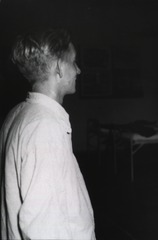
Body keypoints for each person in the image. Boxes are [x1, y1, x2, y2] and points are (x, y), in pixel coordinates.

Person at [0, 29, 96, 239]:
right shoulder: (45, 125)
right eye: (73, 62)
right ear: (59, 67)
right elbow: (42, 226)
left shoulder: (17, 113)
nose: (78, 70)